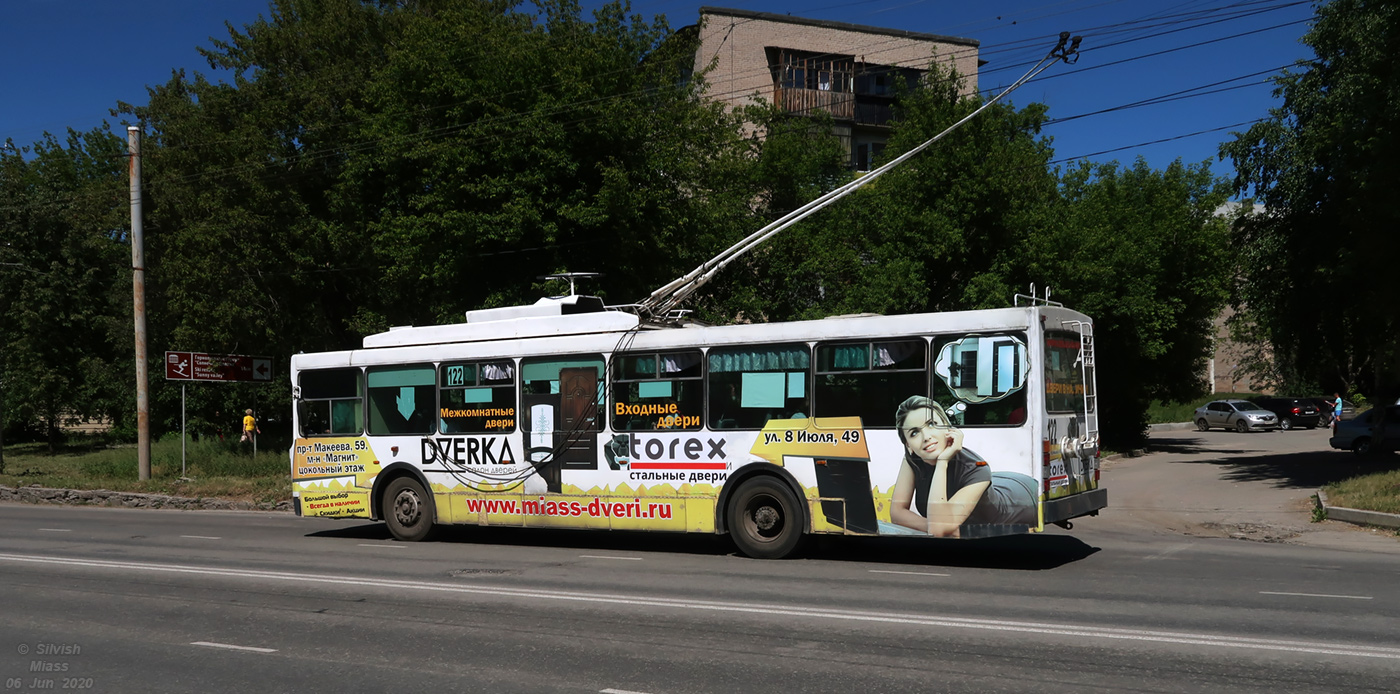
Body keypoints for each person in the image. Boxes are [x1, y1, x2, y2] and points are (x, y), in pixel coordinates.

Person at [889, 395, 1037, 538]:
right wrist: (935, 526)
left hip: (1021, 498)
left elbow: (938, 529)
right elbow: (897, 513)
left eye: (932, 424)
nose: (926, 437)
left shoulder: (976, 468)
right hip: (996, 482)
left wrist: (942, 462)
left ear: (947, 426)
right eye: (914, 433)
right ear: (908, 445)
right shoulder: (915, 458)